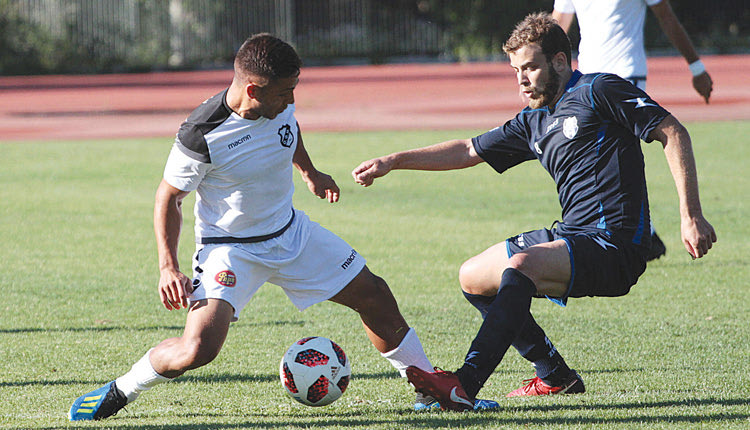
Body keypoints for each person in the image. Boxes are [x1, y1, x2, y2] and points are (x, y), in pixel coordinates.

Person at [68, 33, 494, 421]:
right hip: (230, 249)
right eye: (284, 92)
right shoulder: (202, 133)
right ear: (253, 90)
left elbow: (288, 128)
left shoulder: (278, 103)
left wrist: (309, 171)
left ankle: (427, 387)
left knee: (375, 294)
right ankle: (122, 388)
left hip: (291, 233)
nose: (291, 100)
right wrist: (167, 266)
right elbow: (169, 197)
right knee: (196, 350)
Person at [352, 12, 716, 411]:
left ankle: (464, 385)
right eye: (515, 70)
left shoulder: (600, 89)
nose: (522, 79)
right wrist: (394, 160)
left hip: (616, 245)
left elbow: (672, 130)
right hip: (572, 235)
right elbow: (468, 150)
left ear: (560, 61)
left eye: (530, 67)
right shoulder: (533, 121)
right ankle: (554, 375)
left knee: (522, 265)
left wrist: (690, 214)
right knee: (473, 277)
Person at [552, 0, 715, 261]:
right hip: (587, 81)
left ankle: (642, 235)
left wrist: (696, 67)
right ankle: (643, 235)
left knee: (619, 155)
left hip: (626, 72)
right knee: (596, 157)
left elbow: (666, 17)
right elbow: (556, 29)